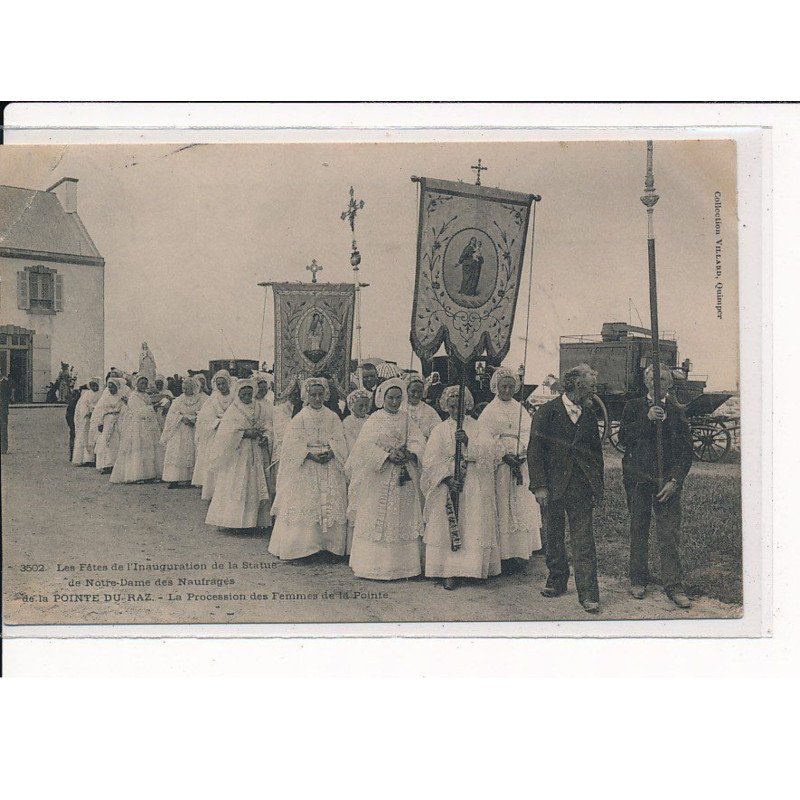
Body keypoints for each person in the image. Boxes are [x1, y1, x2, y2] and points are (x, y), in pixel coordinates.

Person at [527, 364, 604, 614]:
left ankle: (589, 594)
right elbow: (535, 451)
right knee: (554, 537)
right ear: (575, 385)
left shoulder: (590, 415)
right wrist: (539, 486)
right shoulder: (547, 412)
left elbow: (595, 455)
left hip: (580, 488)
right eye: (590, 385)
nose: (594, 389)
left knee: (584, 542)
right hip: (552, 488)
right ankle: (556, 580)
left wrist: (597, 488)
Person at [619, 364, 694, 609]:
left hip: (666, 482)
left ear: (670, 383)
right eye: (652, 377)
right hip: (639, 479)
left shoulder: (677, 410)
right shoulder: (634, 406)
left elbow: (685, 452)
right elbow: (623, 438)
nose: (657, 381)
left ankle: (674, 585)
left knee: (669, 533)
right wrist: (647, 419)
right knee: (638, 528)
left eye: (662, 378)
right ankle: (638, 579)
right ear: (645, 382)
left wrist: (675, 481)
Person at [422, 386, 501, 589]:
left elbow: (489, 453)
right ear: (446, 407)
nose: (456, 411)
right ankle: (447, 571)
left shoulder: (478, 427)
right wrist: (447, 478)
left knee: (471, 523)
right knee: (447, 525)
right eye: (452, 406)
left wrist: (468, 442)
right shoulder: (439, 430)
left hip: (473, 483)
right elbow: (430, 460)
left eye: (460, 406)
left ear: (467, 405)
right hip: (449, 484)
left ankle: (471, 569)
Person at [347, 377, 425, 580]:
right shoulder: (374, 419)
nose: (394, 402)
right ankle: (373, 566)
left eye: (398, 398)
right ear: (382, 398)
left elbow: (419, 441)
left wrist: (411, 453)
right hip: (380, 475)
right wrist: (387, 455)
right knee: (377, 515)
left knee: (402, 515)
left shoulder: (407, 419)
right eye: (390, 398)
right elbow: (364, 447)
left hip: (404, 474)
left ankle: (404, 567)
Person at [269, 377, 349, 559]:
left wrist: (332, 452)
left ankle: (329, 546)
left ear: (326, 395)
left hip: (328, 463)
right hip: (307, 463)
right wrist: (308, 454)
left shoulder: (333, 416)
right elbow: (291, 443)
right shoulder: (300, 418)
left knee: (330, 500)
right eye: (313, 395)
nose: (317, 398)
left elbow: (339, 438)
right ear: (307, 396)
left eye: (321, 394)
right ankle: (305, 547)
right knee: (306, 501)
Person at [479, 367, 542, 572]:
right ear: (496, 387)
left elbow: (527, 432)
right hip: (501, 465)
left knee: (520, 504)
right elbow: (485, 436)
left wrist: (521, 451)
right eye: (503, 386)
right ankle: (503, 554)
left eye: (510, 387)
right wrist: (504, 454)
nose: (506, 390)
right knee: (502, 504)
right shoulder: (490, 411)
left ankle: (520, 552)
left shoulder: (520, 409)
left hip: (519, 461)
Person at [205, 378, 271, 530]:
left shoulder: (260, 407)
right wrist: (244, 433)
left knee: (255, 484)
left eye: (249, 393)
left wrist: (266, 436)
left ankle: (255, 522)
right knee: (238, 483)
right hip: (238, 452)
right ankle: (234, 522)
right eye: (243, 394)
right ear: (238, 394)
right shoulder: (233, 409)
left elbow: (268, 424)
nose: (247, 397)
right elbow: (226, 433)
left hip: (256, 451)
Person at [110, 375, 162, 484]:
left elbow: (147, 408)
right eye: (142, 383)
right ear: (136, 384)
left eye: (145, 384)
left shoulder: (146, 396)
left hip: (148, 424)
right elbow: (138, 412)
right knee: (138, 447)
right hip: (137, 425)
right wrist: (152, 407)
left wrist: (154, 407)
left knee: (149, 448)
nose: (144, 386)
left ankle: (150, 474)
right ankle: (138, 474)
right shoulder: (133, 396)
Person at [192, 370, 234, 493]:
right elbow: (205, 417)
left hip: (231, 430)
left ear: (228, 383)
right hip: (216, 431)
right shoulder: (213, 399)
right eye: (219, 384)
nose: (221, 387)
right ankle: (215, 487)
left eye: (223, 383)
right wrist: (217, 422)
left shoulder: (235, 396)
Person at [161, 375, 206, 488]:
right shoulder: (179, 400)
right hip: (180, 429)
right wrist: (181, 418)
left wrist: (195, 420)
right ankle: (175, 478)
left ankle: (191, 478)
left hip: (194, 428)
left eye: (187, 388)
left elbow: (204, 413)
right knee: (178, 452)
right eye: (183, 387)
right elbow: (172, 414)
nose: (184, 390)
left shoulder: (201, 399)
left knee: (193, 451)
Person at [92, 377, 129, 473]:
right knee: (107, 442)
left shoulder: (122, 397)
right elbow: (99, 411)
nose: (111, 389)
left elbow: (127, 410)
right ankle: (107, 464)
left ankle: (117, 465)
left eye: (113, 387)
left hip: (119, 421)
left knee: (118, 441)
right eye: (109, 388)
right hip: (107, 421)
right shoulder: (105, 398)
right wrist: (100, 422)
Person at [253, 372, 275, 528]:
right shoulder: (251, 403)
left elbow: (270, 423)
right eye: (259, 388)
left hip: (264, 444)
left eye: (265, 388)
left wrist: (267, 435)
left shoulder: (268, 404)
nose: (262, 391)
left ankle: (265, 518)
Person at [402, 372, 442, 440]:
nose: (416, 395)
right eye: (413, 391)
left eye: (420, 391)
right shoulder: (400, 407)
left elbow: (438, 433)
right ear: (407, 390)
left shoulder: (429, 411)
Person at [71, 378, 102, 466]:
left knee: (94, 437)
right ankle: (85, 458)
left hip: (96, 418)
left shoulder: (101, 394)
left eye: (96, 385)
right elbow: (82, 406)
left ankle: (93, 459)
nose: (94, 387)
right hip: (87, 419)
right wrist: (87, 412)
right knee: (85, 437)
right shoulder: (86, 395)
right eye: (92, 385)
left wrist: (95, 412)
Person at [65, 387, 81, 460]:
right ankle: (72, 455)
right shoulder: (72, 404)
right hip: (73, 423)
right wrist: (71, 425)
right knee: (73, 438)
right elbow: (68, 415)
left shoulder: (78, 403)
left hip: (77, 422)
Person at [0, 371, 11, 455]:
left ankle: (3, 448)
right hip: (3, 409)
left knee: (3, 428)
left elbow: (8, 395)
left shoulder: (4, 383)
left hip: (2, 409)